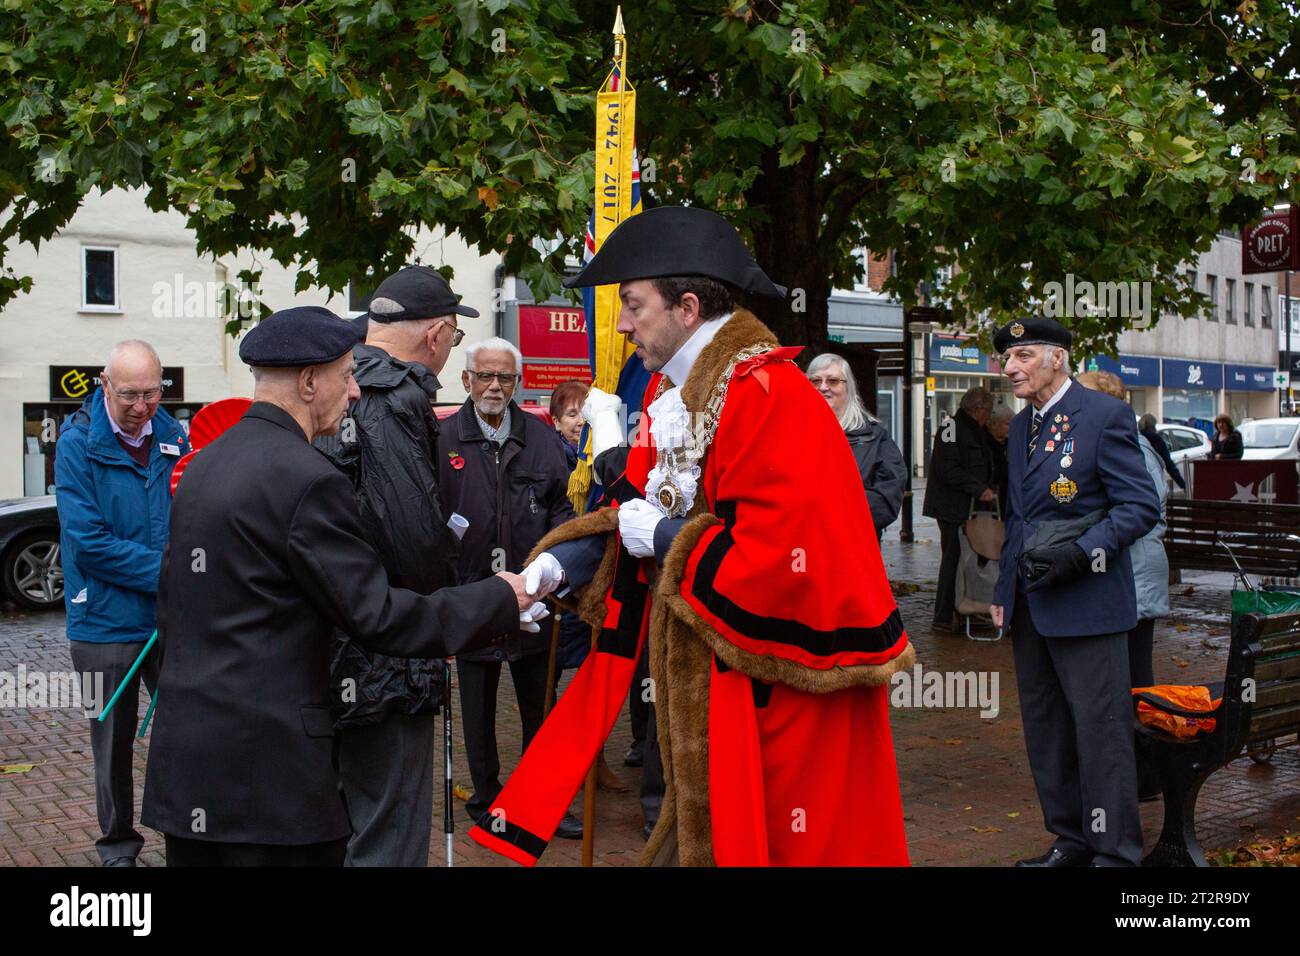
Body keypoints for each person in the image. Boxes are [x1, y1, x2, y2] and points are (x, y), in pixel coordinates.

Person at [468, 205, 913, 867]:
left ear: (684, 307)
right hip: (705, 675)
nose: (621, 324)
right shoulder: (672, 399)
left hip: (775, 693)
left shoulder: (770, 396)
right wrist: (552, 571)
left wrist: (670, 535)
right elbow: (633, 514)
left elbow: (779, 564)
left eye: (632, 305)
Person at [141, 307, 538, 867]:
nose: (355, 393)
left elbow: (171, 609)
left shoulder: (205, 465)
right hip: (270, 785)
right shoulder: (307, 479)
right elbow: (377, 616)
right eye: (347, 374)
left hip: (190, 772)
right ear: (308, 382)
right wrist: (499, 597)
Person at [312, 266, 477, 867]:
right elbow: (412, 540)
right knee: (389, 830)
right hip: (386, 655)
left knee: (344, 820)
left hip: (333, 645)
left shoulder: (340, 379)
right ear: (435, 335)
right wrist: (458, 606)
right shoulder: (395, 397)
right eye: (454, 340)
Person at [989, 318, 1159, 868]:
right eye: (1007, 358)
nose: (1010, 367)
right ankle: (1070, 839)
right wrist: (1003, 588)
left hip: (1088, 603)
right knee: (1048, 730)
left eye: (1022, 355)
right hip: (1033, 604)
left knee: (1102, 733)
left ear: (1058, 358)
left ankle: (1114, 852)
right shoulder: (1020, 428)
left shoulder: (1103, 415)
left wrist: (1085, 552)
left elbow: (1139, 507)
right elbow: (1016, 517)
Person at [53, 340, 190, 867]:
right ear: (104, 386)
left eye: (153, 393)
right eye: (130, 394)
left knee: (184, 728)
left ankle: (186, 832)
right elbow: (88, 542)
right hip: (102, 622)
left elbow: (188, 511)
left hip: (167, 618)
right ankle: (117, 847)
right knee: (111, 741)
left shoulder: (173, 434)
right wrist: (169, 571)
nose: (142, 406)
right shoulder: (77, 444)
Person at [437, 338, 580, 838]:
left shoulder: (539, 439)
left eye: (505, 378)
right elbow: (432, 518)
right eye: (485, 376)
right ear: (466, 380)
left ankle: (544, 802)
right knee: (476, 711)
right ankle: (486, 803)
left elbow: (564, 511)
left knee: (541, 709)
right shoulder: (444, 438)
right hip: (473, 596)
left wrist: (554, 566)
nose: (494, 386)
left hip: (533, 594)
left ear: (517, 383)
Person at [1078, 372, 1168, 802]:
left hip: (1134, 576)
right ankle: (1136, 774)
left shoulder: (1130, 446)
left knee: (1135, 680)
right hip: (1125, 574)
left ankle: (1147, 777)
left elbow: (1143, 509)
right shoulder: (1120, 442)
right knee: (1127, 678)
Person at [807, 353, 906, 539]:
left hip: (853, 547)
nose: (823, 387)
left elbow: (888, 498)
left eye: (833, 381)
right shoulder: (790, 434)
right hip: (801, 551)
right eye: (815, 381)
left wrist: (829, 509)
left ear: (848, 388)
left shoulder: (875, 437)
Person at [922, 386, 996, 632]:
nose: (990, 415)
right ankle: (943, 617)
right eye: (988, 411)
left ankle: (965, 610)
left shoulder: (976, 430)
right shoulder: (950, 428)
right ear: (978, 410)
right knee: (952, 560)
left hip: (967, 508)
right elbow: (948, 470)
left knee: (965, 560)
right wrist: (978, 489)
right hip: (951, 508)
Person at [1138, 413, 1186, 491]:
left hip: (1138, 480)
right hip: (1154, 480)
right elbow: (1169, 465)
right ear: (1153, 425)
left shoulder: (1135, 439)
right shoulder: (1157, 441)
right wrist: (1183, 484)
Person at [987, 402, 1014, 515]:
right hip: (991, 502)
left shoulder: (1013, 443)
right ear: (993, 424)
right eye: (1007, 424)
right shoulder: (983, 445)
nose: (1011, 428)